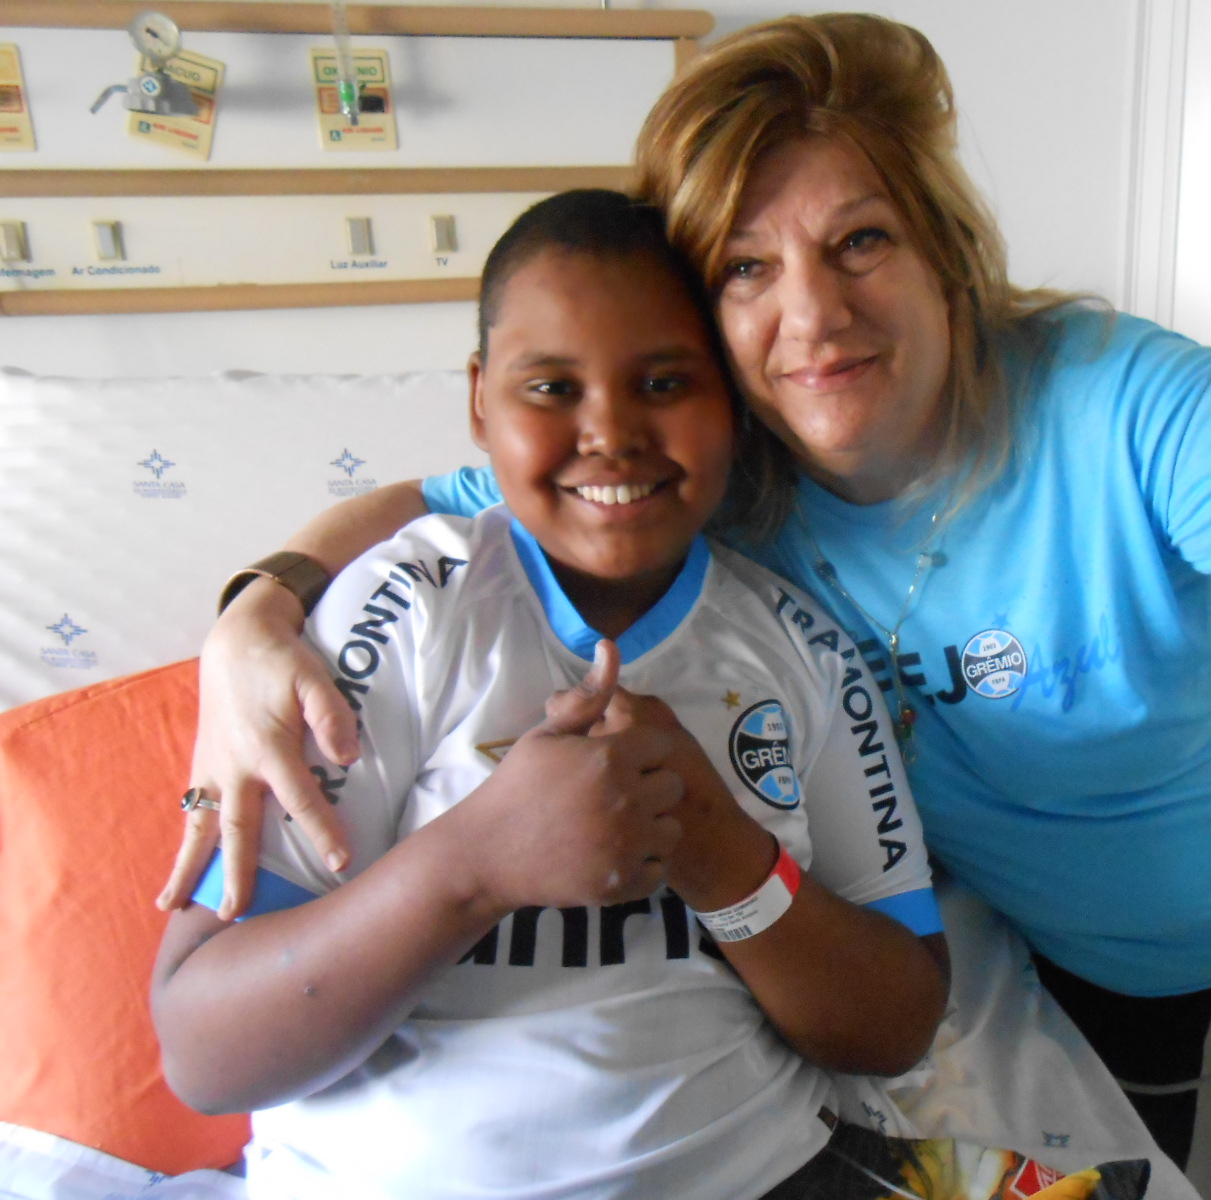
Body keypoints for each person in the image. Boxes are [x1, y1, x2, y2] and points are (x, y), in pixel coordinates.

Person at [158, 16, 1211, 1200]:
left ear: (948, 253)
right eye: (748, 271)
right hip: (1083, 934)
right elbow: (442, 491)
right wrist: (257, 611)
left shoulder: (1121, 402)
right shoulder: (702, 475)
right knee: (1164, 1144)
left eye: (862, 240)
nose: (814, 316)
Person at [150, 189, 958, 1200]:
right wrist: (474, 865)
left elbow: (898, 1024)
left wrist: (721, 854)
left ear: (733, 403)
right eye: (551, 389)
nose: (611, 432)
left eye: (665, 381)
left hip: (757, 1169)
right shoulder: (396, 614)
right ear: (480, 399)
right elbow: (203, 1048)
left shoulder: (799, 647)